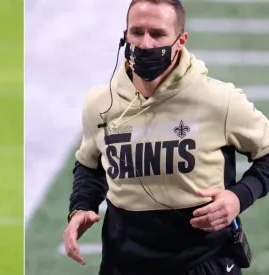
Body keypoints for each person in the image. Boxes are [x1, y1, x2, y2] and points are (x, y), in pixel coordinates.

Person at [63, 0, 269, 274]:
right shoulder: (101, 103)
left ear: (180, 40)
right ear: (125, 35)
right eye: (137, 32)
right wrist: (81, 207)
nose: (146, 44)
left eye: (158, 34)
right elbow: (90, 165)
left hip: (203, 262)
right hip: (123, 263)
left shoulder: (219, 101)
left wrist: (239, 197)